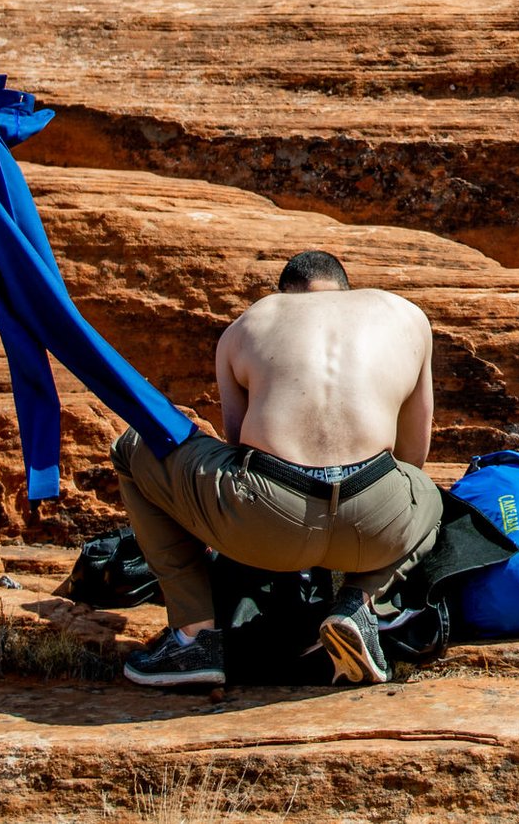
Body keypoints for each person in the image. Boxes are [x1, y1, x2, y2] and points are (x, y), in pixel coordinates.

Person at [115, 249, 438, 689]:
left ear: (285, 293)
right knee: (427, 493)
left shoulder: (250, 322)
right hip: (374, 522)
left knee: (133, 445)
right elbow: (413, 454)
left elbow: (238, 448)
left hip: (267, 524)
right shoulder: (406, 316)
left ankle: (194, 638)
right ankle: (358, 603)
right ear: (346, 289)